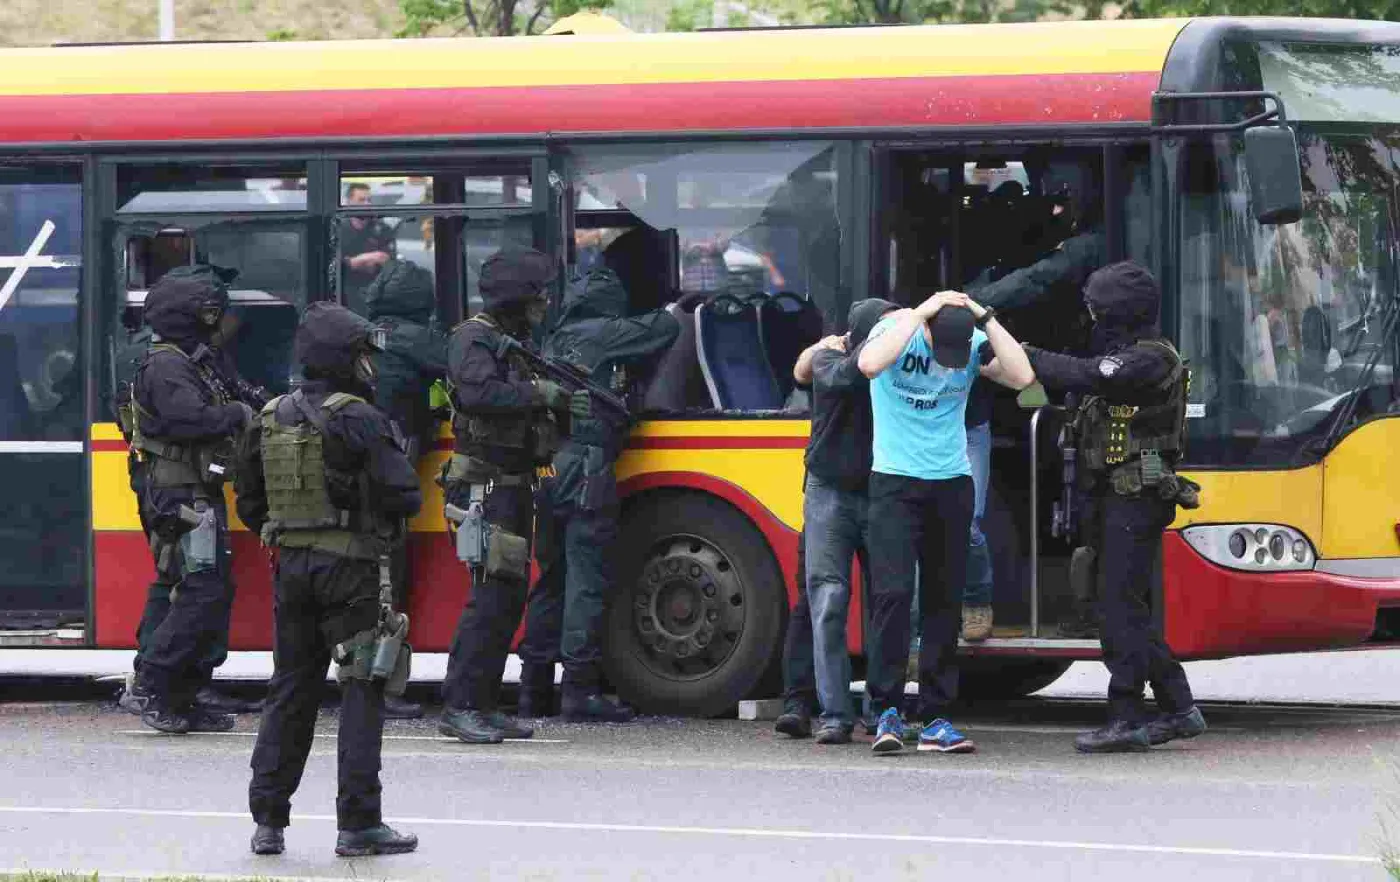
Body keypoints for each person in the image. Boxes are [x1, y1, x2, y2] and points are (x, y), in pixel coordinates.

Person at [238, 302, 420, 857]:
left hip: (290, 569)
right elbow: (405, 493)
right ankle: (359, 822)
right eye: (364, 354)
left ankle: (268, 820)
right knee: (362, 686)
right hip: (351, 572)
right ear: (346, 359)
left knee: (290, 688)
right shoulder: (360, 418)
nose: (370, 365)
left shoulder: (269, 414)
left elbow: (250, 502)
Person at [1023, 261, 1207, 754]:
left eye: (1097, 308)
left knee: (1120, 606)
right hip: (1110, 497)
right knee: (1114, 606)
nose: (1091, 317)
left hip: (1137, 498)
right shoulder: (1121, 356)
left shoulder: (1149, 360)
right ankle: (1179, 707)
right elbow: (1051, 382)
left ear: (1117, 312)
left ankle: (1127, 715)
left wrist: (1027, 352)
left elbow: (1083, 373)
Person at [857, 291, 1034, 755]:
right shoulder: (896, 333)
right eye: (942, 352)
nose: (951, 366)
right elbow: (870, 365)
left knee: (943, 601)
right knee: (893, 595)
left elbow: (1023, 377)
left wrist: (986, 317)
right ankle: (886, 709)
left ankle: (936, 716)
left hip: (950, 483)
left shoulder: (971, 343)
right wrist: (918, 314)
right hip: (894, 482)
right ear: (927, 329)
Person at [516, 264, 679, 721]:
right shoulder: (606, 334)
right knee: (586, 580)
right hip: (586, 468)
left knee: (550, 579)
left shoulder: (553, 338)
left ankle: (533, 689)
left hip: (546, 469)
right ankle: (579, 691)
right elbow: (665, 327)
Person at [438, 247, 588, 744]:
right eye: (537, 295)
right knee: (490, 596)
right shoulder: (471, 339)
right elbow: (480, 395)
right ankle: (460, 705)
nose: (543, 304)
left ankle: (482, 703)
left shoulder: (510, 342)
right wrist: (537, 394)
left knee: (508, 597)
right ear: (516, 297)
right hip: (483, 486)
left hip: (511, 485)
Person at [118, 265, 258, 734]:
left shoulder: (194, 358)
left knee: (189, 585)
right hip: (179, 492)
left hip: (196, 488)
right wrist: (238, 413)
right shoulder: (166, 365)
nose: (226, 321)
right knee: (202, 589)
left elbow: (241, 393)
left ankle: (183, 691)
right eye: (217, 312)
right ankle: (155, 685)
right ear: (200, 314)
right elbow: (191, 421)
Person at [787, 298, 897, 744]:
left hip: (882, 490)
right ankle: (835, 712)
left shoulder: (894, 361)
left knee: (889, 603)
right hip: (829, 490)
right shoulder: (832, 356)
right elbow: (832, 373)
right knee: (828, 599)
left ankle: (881, 709)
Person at [362, 258, 449, 720]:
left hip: (348, 476)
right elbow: (462, 373)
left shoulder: (359, 335)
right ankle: (381, 684)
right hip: (390, 470)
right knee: (386, 572)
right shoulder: (416, 339)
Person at [961, 376, 996, 642]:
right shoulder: (905, 334)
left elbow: (1020, 377)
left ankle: (976, 603)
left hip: (970, 428)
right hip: (921, 429)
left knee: (969, 523)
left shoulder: (979, 336)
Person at [340, 183, 396, 315]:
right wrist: (365, 259)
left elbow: (389, 262)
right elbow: (333, 265)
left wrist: (352, 262)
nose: (366, 204)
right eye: (361, 200)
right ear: (348, 202)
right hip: (344, 294)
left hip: (374, 294)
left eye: (369, 200)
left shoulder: (382, 229)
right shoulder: (338, 229)